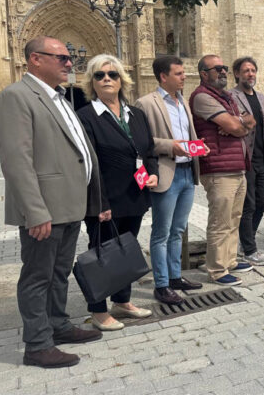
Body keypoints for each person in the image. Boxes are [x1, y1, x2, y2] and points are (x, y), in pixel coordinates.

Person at [0, 36, 102, 368]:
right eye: (62, 58)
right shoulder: (16, 97)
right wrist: (35, 211)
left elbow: (80, 152)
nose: (70, 64)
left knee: (58, 273)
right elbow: (17, 161)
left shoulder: (59, 98)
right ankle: (37, 345)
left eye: (69, 59)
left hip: (69, 205)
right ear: (35, 60)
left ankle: (58, 325)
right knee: (38, 276)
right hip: (45, 210)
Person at [76, 54, 156, 330]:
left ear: (122, 79)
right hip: (104, 200)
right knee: (101, 254)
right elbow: (89, 162)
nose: (107, 79)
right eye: (100, 75)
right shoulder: (86, 116)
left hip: (135, 195)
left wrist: (153, 172)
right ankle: (98, 312)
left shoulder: (136, 114)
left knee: (126, 250)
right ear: (92, 83)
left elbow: (148, 150)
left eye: (112, 74)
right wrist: (99, 202)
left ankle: (122, 301)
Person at [135, 55, 205, 305]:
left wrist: (198, 148)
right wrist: (170, 147)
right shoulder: (145, 103)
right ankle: (161, 284)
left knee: (178, 230)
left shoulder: (182, 102)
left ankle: (175, 277)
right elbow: (140, 142)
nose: (184, 76)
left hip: (187, 172)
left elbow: (187, 135)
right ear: (163, 76)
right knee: (161, 233)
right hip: (166, 174)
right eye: (179, 73)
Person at [190, 55, 254, 285]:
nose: (224, 71)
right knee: (220, 220)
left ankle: (230, 260)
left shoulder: (226, 97)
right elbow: (236, 126)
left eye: (224, 67)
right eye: (218, 68)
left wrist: (237, 124)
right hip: (218, 168)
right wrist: (236, 124)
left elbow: (250, 121)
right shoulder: (202, 97)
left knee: (234, 217)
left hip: (237, 166)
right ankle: (217, 269)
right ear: (203, 74)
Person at [230, 56, 264, 265]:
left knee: (262, 202)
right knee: (249, 205)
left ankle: (248, 241)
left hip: (263, 158)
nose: (250, 74)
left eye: (253, 70)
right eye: (246, 71)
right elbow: (230, 120)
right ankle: (249, 249)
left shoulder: (262, 98)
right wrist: (241, 120)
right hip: (245, 157)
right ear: (237, 74)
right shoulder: (231, 95)